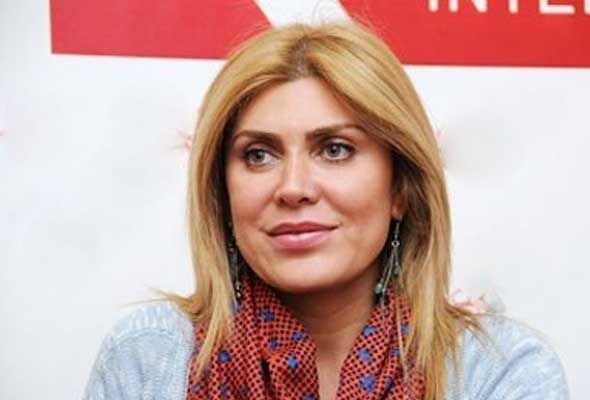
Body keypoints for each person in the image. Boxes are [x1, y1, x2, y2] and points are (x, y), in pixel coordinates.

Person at [82, 20, 569, 400]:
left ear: (400, 188)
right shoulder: (148, 358)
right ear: (221, 191)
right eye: (259, 155)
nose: (293, 188)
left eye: (335, 150)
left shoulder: (497, 368)